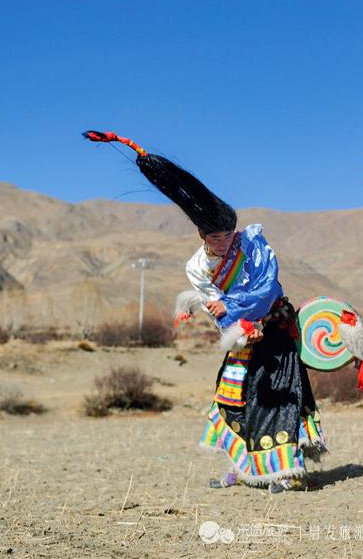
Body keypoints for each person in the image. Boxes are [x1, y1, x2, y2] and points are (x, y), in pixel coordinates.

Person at [83, 130, 326, 494]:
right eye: (216, 237)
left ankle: (285, 472)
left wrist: (235, 307)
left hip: (273, 327)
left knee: (277, 395)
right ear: (201, 234)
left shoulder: (255, 245)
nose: (225, 241)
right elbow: (214, 305)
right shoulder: (197, 267)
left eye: (228, 234)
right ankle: (243, 469)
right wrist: (233, 323)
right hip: (243, 335)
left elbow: (266, 286)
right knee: (232, 396)